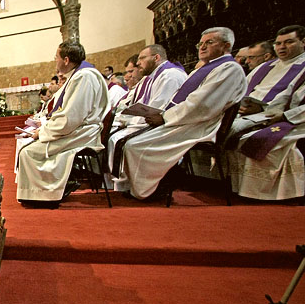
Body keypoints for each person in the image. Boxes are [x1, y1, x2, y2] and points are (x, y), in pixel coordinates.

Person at [116, 27, 246, 199]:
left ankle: (153, 189)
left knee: (135, 145)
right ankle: (151, 184)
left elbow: (201, 105)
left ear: (226, 45)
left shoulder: (229, 69)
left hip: (201, 124)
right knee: (131, 142)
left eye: (209, 42)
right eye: (201, 43)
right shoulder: (206, 69)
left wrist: (164, 117)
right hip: (186, 119)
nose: (202, 47)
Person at [16, 40, 109, 206]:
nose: (55, 61)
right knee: (28, 149)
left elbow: (70, 117)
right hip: (77, 129)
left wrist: (43, 132)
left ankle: (46, 195)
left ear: (66, 60)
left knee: (28, 152)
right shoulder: (79, 75)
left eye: (56, 58)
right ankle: (53, 188)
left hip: (81, 132)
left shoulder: (84, 77)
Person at [109, 44, 187, 176]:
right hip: (148, 121)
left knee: (120, 141)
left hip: (164, 124)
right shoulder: (152, 77)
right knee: (114, 137)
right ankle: (123, 183)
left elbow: (156, 110)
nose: (138, 63)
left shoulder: (170, 75)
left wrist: (128, 120)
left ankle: (137, 183)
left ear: (156, 57)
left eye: (142, 58)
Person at [230, 25, 305, 139]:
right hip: (242, 113)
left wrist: (265, 109)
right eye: (278, 43)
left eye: (289, 42)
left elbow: (296, 101)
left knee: (227, 130)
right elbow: (239, 89)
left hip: (272, 117)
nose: (282, 47)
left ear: (303, 42)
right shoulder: (264, 67)